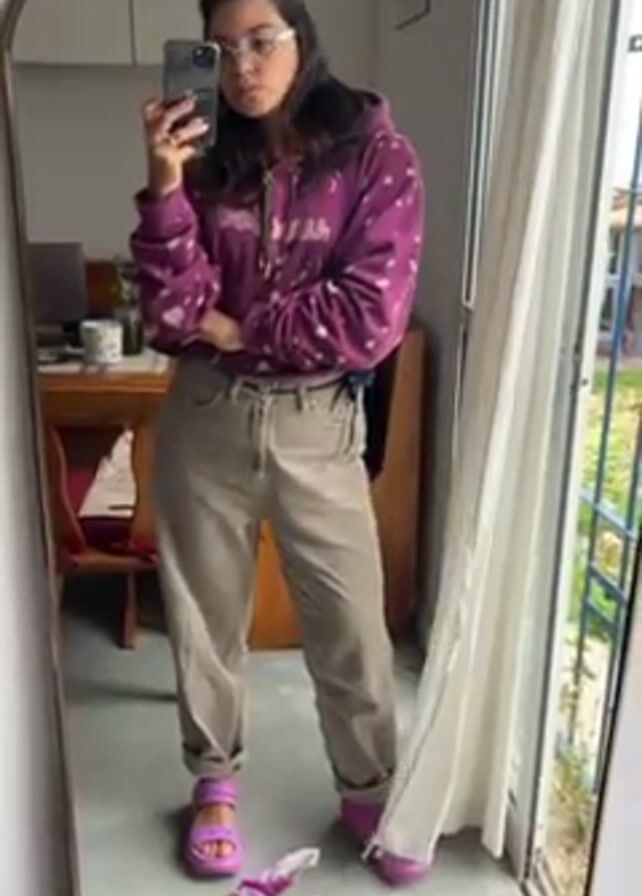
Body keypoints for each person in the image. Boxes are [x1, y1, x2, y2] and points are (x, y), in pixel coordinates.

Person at [131, 0, 426, 886]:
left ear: (304, 38)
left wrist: (233, 325)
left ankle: (369, 787)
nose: (242, 66)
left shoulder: (376, 155)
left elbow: (367, 322)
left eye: (262, 41)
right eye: (221, 49)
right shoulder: (201, 154)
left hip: (316, 425)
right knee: (204, 620)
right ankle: (214, 784)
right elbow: (169, 312)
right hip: (206, 417)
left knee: (350, 625)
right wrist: (165, 185)